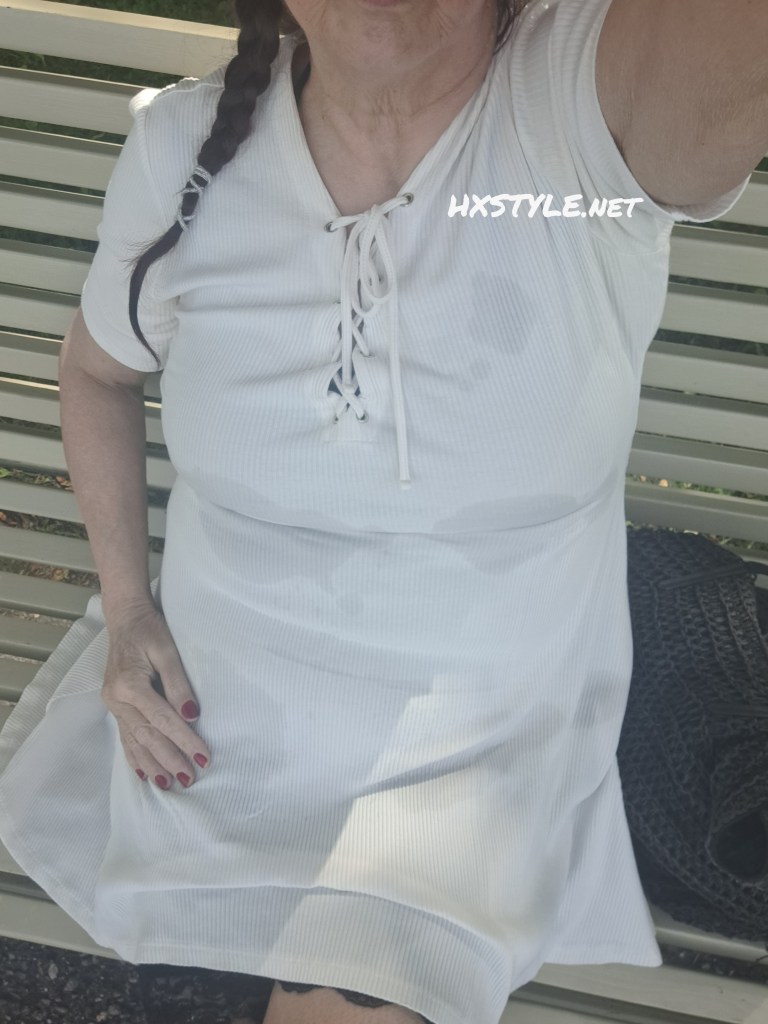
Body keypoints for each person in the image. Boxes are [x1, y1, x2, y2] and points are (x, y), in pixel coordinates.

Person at [0, 0, 765, 1022]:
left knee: (350, 974)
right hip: (217, 709)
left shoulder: (578, 113)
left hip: (466, 735)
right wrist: (130, 607)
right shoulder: (187, 146)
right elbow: (97, 371)